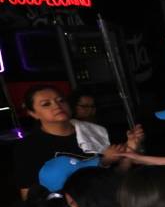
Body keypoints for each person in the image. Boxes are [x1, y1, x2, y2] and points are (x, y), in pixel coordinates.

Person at [12, 85, 141, 200]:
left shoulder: (97, 132)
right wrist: (104, 160)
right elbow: (28, 196)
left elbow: (117, 175)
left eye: (61, 100)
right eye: (46, 104)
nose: (57, 106)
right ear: (33, 113)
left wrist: (130, 148)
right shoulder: (28, 147)